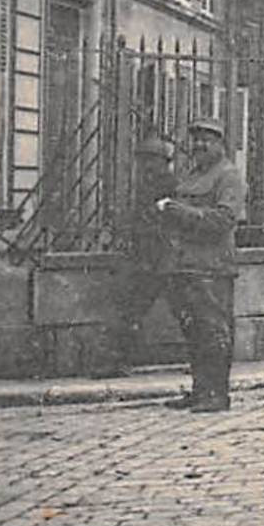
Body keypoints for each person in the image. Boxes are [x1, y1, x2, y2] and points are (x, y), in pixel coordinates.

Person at [159, 118, 248, 412]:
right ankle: (200, 391)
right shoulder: (193, 174)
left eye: (207, 139)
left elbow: (222, 220)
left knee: (214, 332)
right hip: (184, 265)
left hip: (212, 268)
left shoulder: (228, 176)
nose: (199, 145)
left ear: (220, 144)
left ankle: (217, 395)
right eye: (196, 139)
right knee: (193, 332)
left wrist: (178, 211)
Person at [105, 134, 181, 376]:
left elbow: (170, 221)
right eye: (142, 159)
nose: (146, 165)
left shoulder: (172, 185)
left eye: (151, 159)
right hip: (147, 258)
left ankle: (201, 359)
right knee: (132, 309)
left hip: (165, 259)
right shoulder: (146, 185)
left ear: (164, 161)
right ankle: (119, 360)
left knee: (185, 310)